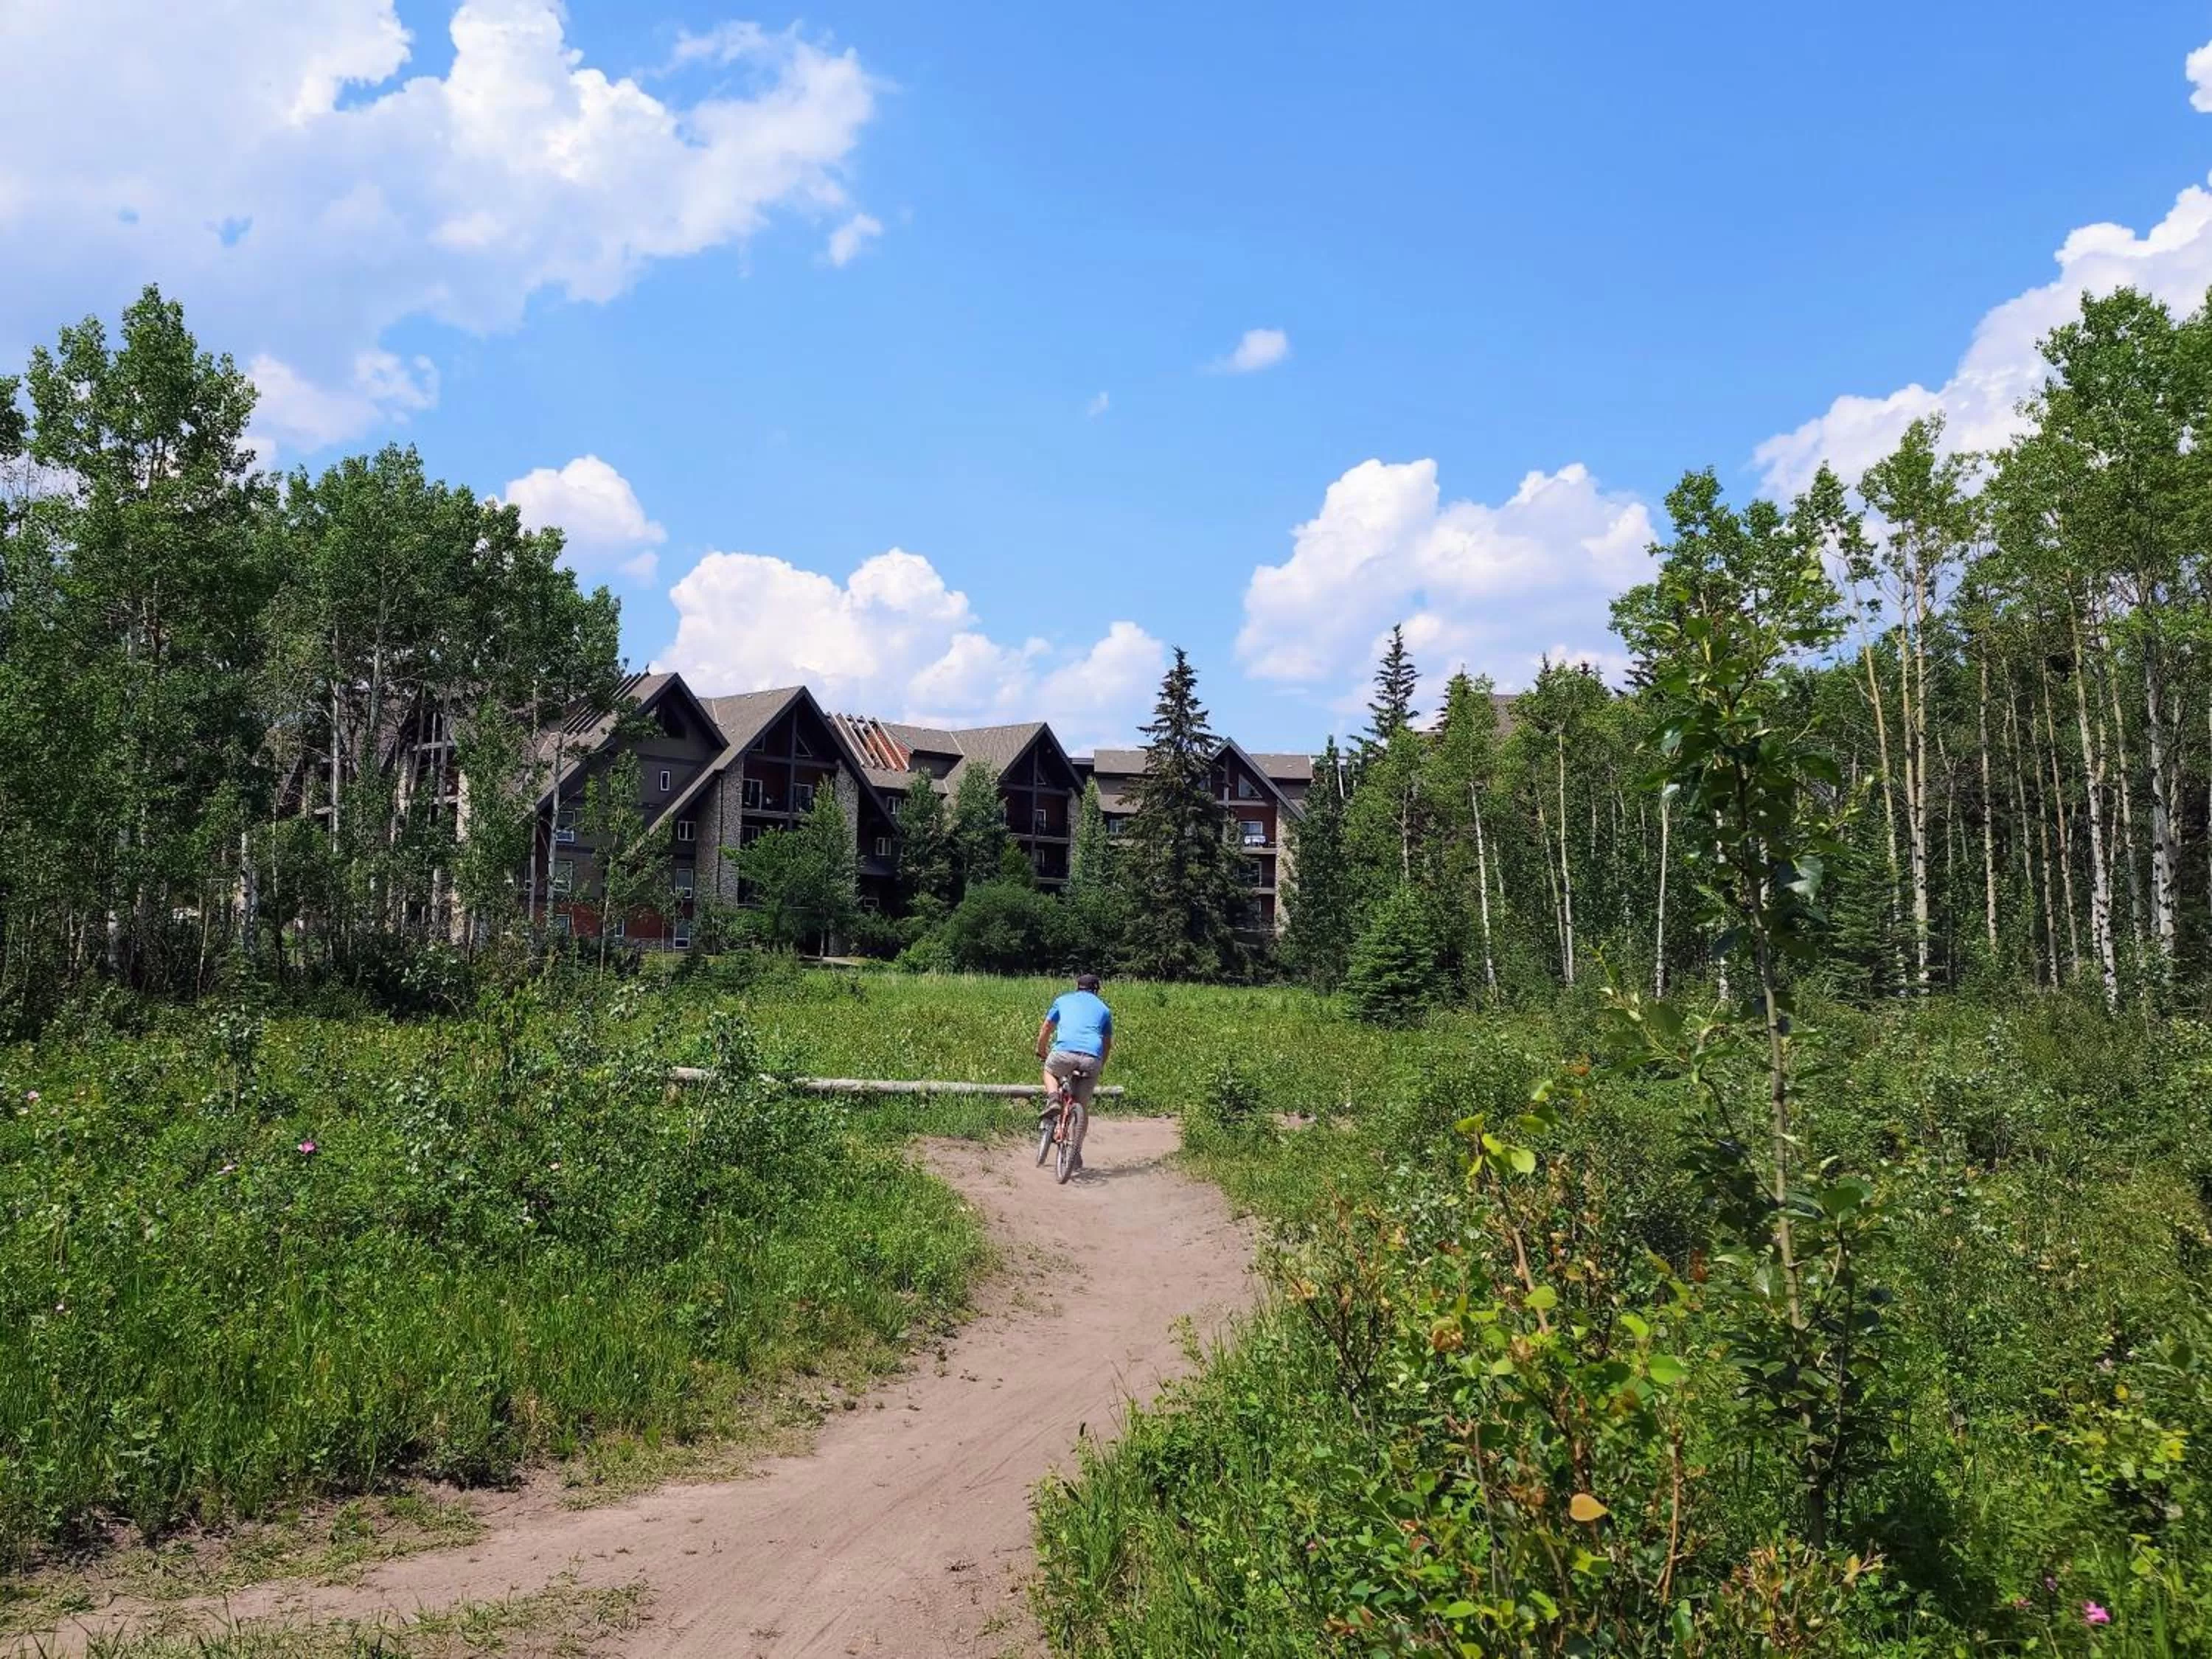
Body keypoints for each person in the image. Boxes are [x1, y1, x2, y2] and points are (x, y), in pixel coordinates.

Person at [1036, 971, 1112, 1173]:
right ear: (1096, 990)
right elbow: (1107, 1044)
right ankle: (1075, 1149)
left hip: (1064, 1053)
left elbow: (1046, 1028)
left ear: (1077, 986)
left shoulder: (1062, 1000)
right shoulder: (1104, 1009)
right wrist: (1099, 1066)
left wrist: (1041, 1050)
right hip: (1091, 1058)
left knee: (1050, 1071)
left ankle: (1054, 1100)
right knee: (1081, 1105)